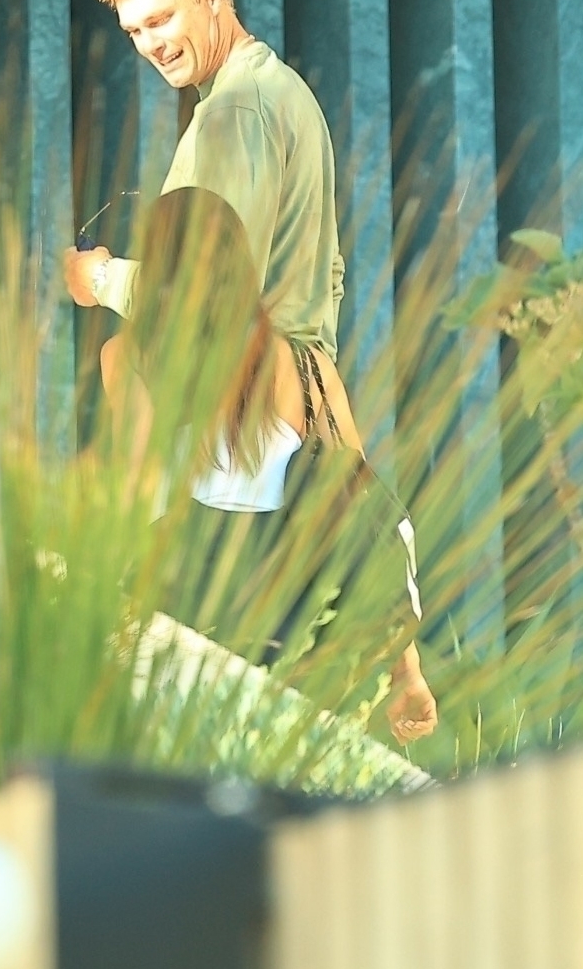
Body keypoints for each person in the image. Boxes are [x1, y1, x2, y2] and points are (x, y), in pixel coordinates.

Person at [101, 186, 437, 745]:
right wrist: (409, 674)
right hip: (291, 629)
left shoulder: (128, 358)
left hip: (185, 621)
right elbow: (367, 522)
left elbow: (137, 500)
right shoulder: (309, 368)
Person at [64, 0, 344, 360]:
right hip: (291, 385)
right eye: (134, 31)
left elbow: (210, 294)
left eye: (160, 19)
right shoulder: (277, 86)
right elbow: (329, 273)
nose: (149, 45)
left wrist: (100, 278)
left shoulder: (234, 109)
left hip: (246, 390)